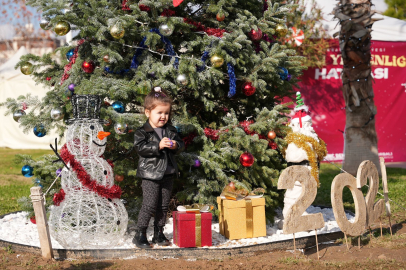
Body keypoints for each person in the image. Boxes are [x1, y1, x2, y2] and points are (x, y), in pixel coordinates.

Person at [132, 87, 185, 249]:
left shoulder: (170, 130)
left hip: (167, 173)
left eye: (166, 113)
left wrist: (176, 145)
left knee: (163, 205)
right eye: (159, 113)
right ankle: (140, 234)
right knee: (149, 205)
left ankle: (158, 233)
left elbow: (180, 145)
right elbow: (140, 148)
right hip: (150, 175)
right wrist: (158, 145)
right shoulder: (143, 132)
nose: (163, 117)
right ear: (148, 112)